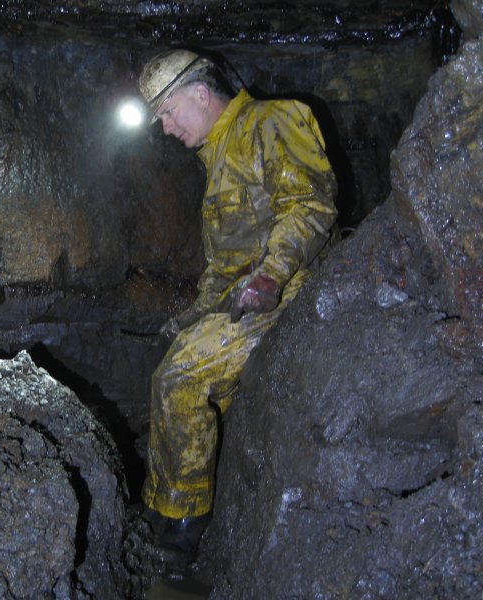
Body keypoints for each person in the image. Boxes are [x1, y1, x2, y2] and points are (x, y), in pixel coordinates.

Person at [137, 49, 338, 557]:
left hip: (290, 284)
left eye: (167, 110)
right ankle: (176, 496)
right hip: (244, 292)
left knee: (179, 377)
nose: (165, 128)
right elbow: (225, 267)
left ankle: (182, 519)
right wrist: (189, 317)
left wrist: (272, 274)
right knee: (178, 356)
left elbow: (310, 203)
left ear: (200, 94)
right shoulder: (220, 152)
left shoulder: (271, 120)